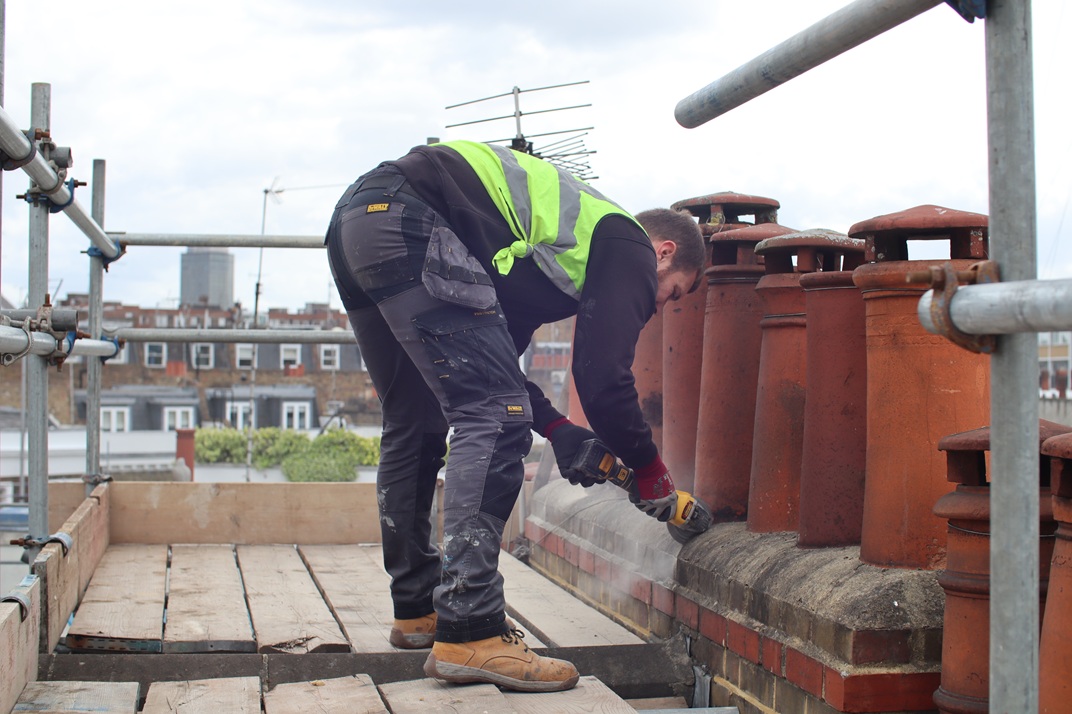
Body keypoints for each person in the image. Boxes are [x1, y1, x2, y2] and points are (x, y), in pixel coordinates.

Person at [324, 139, 705, 693]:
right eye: (674, 294)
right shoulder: (628, 244)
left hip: (359, 222)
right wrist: (651, 471)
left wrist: (559, 431)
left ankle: (418, 612)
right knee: (492, 420)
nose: (660, 305)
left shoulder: (538, 261)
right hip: (413, 220)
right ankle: (471, 628)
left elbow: (502, 371)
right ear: (665, 253)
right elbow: (601, 377)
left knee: (419, 417)